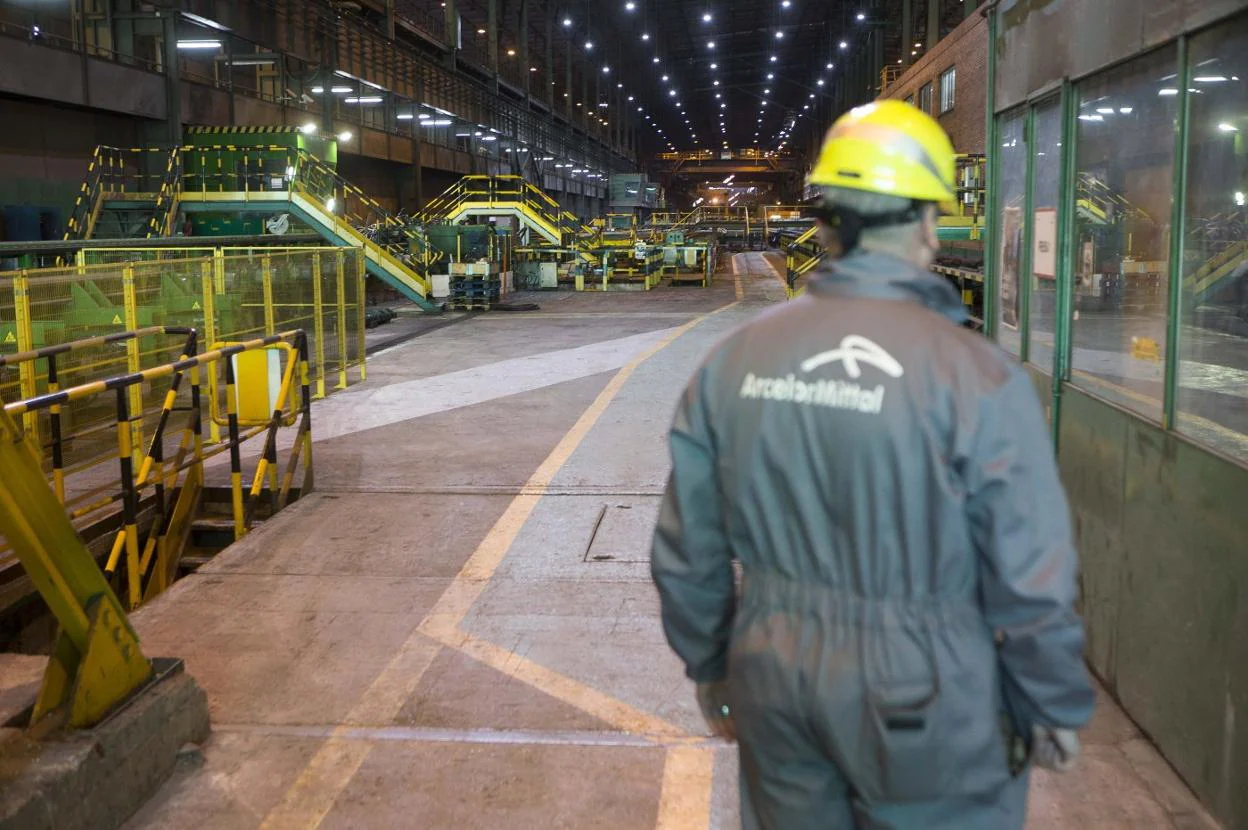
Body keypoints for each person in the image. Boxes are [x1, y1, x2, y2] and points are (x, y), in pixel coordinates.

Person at [650, 100, 1096, 829]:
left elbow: (685, 553)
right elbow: (1031, 574)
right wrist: (1052, 700)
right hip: (923, 690)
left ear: (822, 226)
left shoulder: (733, 362)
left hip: (773, 675)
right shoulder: (975, 376)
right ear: (927, 222)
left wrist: (711, 667)